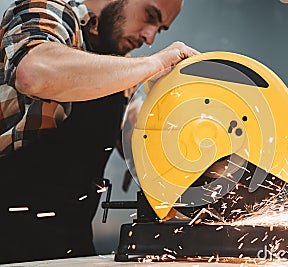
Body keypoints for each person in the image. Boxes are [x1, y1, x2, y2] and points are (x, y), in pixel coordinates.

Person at [0, 0, 198, 263]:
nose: (149, 37)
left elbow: (147, 146)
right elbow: (34, 72)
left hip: (70, 250)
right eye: (150, 16)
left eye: (159, 30)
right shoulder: (46, 9)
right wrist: (154, 63)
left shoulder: (122, 71)